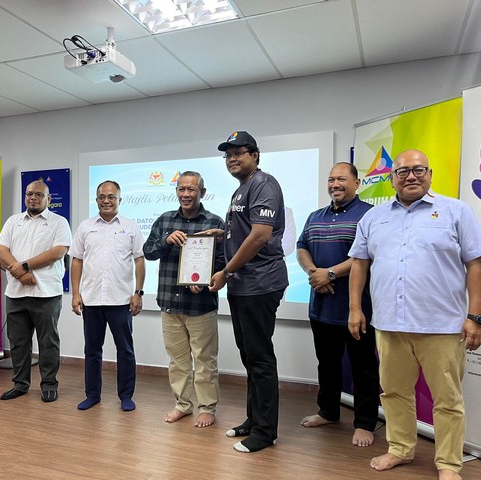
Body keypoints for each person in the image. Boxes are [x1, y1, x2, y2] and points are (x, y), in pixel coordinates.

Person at [348, 149, 481, 480]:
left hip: (442, 326)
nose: (411, 176)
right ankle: (400, 448)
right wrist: (355, 308)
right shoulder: (374, 217)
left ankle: (449, 463)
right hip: (389, 324)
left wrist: (475, 317)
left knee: (447, 399)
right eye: (402, 171)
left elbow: (475, 264)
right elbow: (359, 264)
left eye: (418, 170)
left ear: (430, 174)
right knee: (394, 392)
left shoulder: (456, 211)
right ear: (391, 178)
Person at [207, 131, 288, 453]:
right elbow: (245, 231)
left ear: (255, 155)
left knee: (260, 357)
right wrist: (224, 234)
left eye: (239, 153)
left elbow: (260, 235)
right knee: (250, 356)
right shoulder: (243, 187)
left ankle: (265, 432)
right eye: (228, 155)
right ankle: (254, 420)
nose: (232, 159)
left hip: (260, 283)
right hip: (244, 286)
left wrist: (226, 271)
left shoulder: (263, 184)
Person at [296, 162, 379, 447]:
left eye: (342, 179)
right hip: (321, 307)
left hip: (358, 309)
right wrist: (314, 273)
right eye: (331, 179)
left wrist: (329, 273)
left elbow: (366, 255)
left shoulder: (370, 214)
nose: (335, 184)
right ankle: (328, 412)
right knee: (327, 364)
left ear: (356, 183)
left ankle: (365, 423)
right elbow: (301, 247)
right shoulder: (315, 216)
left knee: (363, 367)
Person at [143, 171, 225, 428]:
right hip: (170, 303)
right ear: (176, 191)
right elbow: (148, 251)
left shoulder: (215, 222)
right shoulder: (165, 220)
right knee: (177, 361)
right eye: (182, 189)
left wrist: (205, 280)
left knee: (205, 361)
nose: (186, 194)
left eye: (191, 189)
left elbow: (224, 262)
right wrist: (166, 241)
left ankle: (207, 407)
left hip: (201, 305)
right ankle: (183, 404)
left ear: (202, 192)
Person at [70, 180, 145, 412]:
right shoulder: (85, 227)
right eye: (102, 197)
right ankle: (92, 395)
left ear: (119, 200)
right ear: (96, 200)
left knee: (125, 350)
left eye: (111, 197)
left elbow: (139, 261)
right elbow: (77, 260)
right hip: (91, 300)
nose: (106, 201)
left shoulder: (131, 227)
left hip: (120, 300)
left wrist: (138, 293)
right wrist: (75, 293)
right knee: (92, 351)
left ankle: (126, 396)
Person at [0, 180, 71, 403]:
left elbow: (58, 252)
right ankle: (20, 384)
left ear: (48, 199)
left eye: (39, 194)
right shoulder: (13, 221)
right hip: (16, 293)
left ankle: (49, 384)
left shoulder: (59, 222)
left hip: (46, 293)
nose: (33, 198)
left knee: (48, 342)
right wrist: (20, 273)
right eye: (29, 194)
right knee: (18, 342)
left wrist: (25, 266)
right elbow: (0, 250)